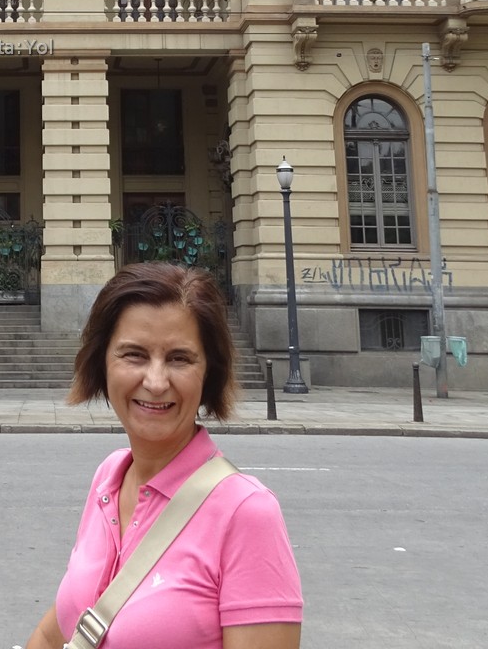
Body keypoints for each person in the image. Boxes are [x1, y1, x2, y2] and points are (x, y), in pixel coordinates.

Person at [24, 263, 303, 649]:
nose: (155, 382)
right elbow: (54, 634)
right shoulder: (110, 478)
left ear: (209, 374)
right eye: (134, 355)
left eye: (179, 359)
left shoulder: (246, 513)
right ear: (101, 363)